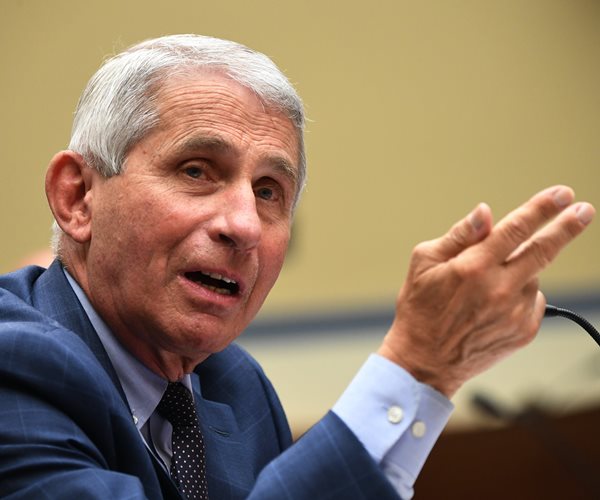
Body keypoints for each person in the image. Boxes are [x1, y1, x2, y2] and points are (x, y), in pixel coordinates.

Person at [0, 34, 594, 500]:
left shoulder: (237, 388)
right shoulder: (14, 367)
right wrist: (414, 367)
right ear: (78, 197)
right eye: (196, 170)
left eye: (268, 191)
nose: (244, 225)